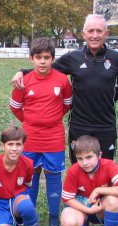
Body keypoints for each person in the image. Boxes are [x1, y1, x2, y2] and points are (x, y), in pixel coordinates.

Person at [11, 14, 118, 164]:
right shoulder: (73, 58)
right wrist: (22, 71)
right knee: (80, 169)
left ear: (106, 34)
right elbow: (45, 67)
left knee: (105, 169)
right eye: (91, 31)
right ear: (83, 34)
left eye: (99, 31)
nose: (95, 35)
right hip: (79, 125)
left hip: (106, 125)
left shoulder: (115, 58)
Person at [10, 37, 72, 226]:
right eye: (38, 57)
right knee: (31, 175)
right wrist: (30, 121)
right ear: (31, 59)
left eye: (46, 57)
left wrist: (51, 119)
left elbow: (67, 104)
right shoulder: (24, 81)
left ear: (53, 58)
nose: (43, 61)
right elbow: (15, 107)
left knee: (53, 175)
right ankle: (30, 213)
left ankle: (54, 217)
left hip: (54, 137)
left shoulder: (62, 80)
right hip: (30, 137)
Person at [60, 135, 118, 226]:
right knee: (69, 222)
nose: (84, 163)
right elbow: (67, 199)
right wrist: (88, 210)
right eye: (80, 158)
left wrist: (98, 190)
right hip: (82, 207)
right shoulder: (73, 170)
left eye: (89, 157)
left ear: (99, 155)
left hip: (102, 207)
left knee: (113, 201)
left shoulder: (109, 165)